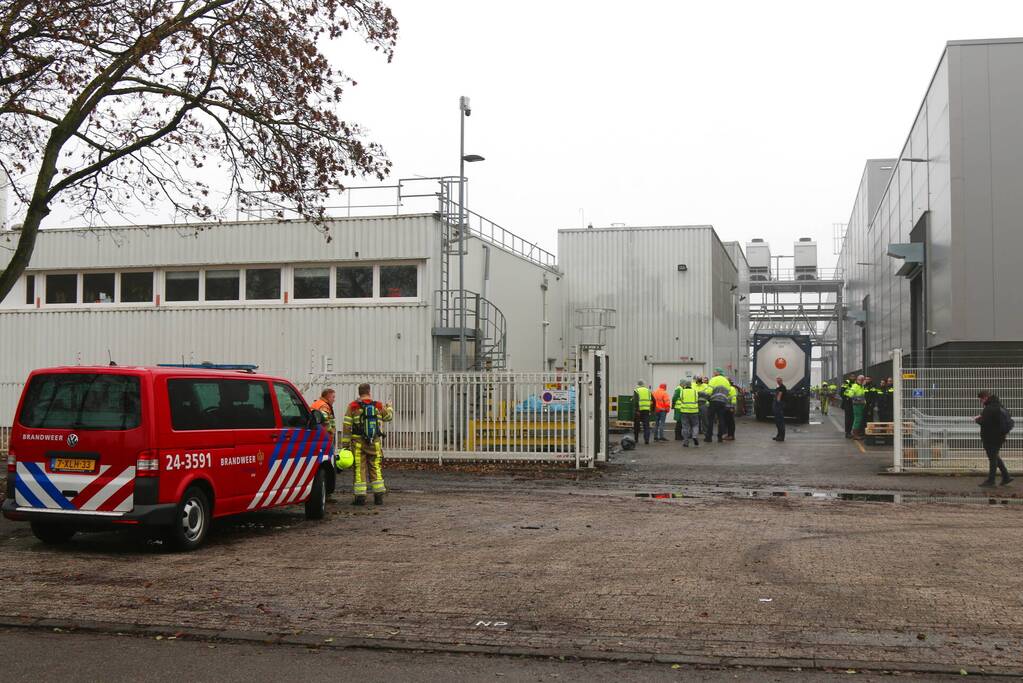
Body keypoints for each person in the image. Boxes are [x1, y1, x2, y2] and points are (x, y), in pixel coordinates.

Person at [340, 383, 394, 506]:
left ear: (359, 393)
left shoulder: (353, 406)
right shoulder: (378, 405)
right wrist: (389, 407)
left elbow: (347, 426)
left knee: (359, 469)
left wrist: (345, 445)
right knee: (375, 467)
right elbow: (389, 417)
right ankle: (378, 496)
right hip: (374, 443)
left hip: (358, 443)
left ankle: (360, 497)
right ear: (369, 392)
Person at [975, 391, 1014, 487]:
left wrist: (977, 419)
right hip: (999, 436)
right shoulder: (999, 406)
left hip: (991, 438)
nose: (981, 401)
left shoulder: (989, 409)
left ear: (985, 398)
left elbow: (985, 422)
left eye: (981, 399)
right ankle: (1006, 477)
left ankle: (991, 481)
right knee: (995, 456)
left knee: (992, 459)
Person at [706, 369, 732, 444]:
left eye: (714, 372)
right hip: (723, 403)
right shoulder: (726, 381)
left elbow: (709, 391)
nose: (713, 373)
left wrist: (706, 396)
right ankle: (720, 437)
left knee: (710, 419)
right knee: (721, 420)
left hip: (713, 402)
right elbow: (729, 392)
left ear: (717, 373)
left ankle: (709, 437)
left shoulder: (713, 379)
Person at [677, 383, 701, 447]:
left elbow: (681, 399)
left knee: (685, 427)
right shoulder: (695, 391)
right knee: (695, 425)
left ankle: (686, 442)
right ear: (690, 385)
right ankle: (694, 436)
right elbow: (696, 399)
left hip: (684, 411)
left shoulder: (682, 391)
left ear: (685, 386)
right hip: (694, 411)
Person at [633, 380, 653, 445]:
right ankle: (646, 440)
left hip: (639, 410)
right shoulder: (648, 391)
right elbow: (652, 400)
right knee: (646, 425)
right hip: (646, 410)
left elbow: (635, 401)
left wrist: (636, 410)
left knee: (636, 425)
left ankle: (636, 439)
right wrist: (651, 409)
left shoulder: (636, 390)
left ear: (638, 384)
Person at [849, 375, 867, 440]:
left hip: (860, 405)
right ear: (859, 380)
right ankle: (855, 434)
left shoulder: (861, 386)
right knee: (857, 419)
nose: (863, 381)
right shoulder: (855, 386)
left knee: (858, 419)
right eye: (863, 380)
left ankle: (855, 433)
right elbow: (850, 394)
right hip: (857, 405)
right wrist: (858, 399)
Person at [771, 377, 787, 441]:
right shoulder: (778, 387)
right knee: (777, 422)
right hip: (777, 406)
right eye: (777, 381)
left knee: (780, 421)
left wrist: (777, 403)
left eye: (779, 381)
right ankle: (778, 435)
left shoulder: (782, 387)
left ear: (781, 381)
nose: (778, 382)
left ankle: (781, 437)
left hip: (779, 406)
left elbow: (779, 397)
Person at [841, 373, 856, 438]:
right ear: (849, 377)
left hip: (855, 403)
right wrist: (846, 398)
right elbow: (842, 392)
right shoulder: (846, 383)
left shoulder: (856, 383)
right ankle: (847, 432)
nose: (853, 377)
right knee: (848, 418)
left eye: (854, 376)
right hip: (848, 403)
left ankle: (851, 431)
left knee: (853, 418)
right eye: (852, 376)